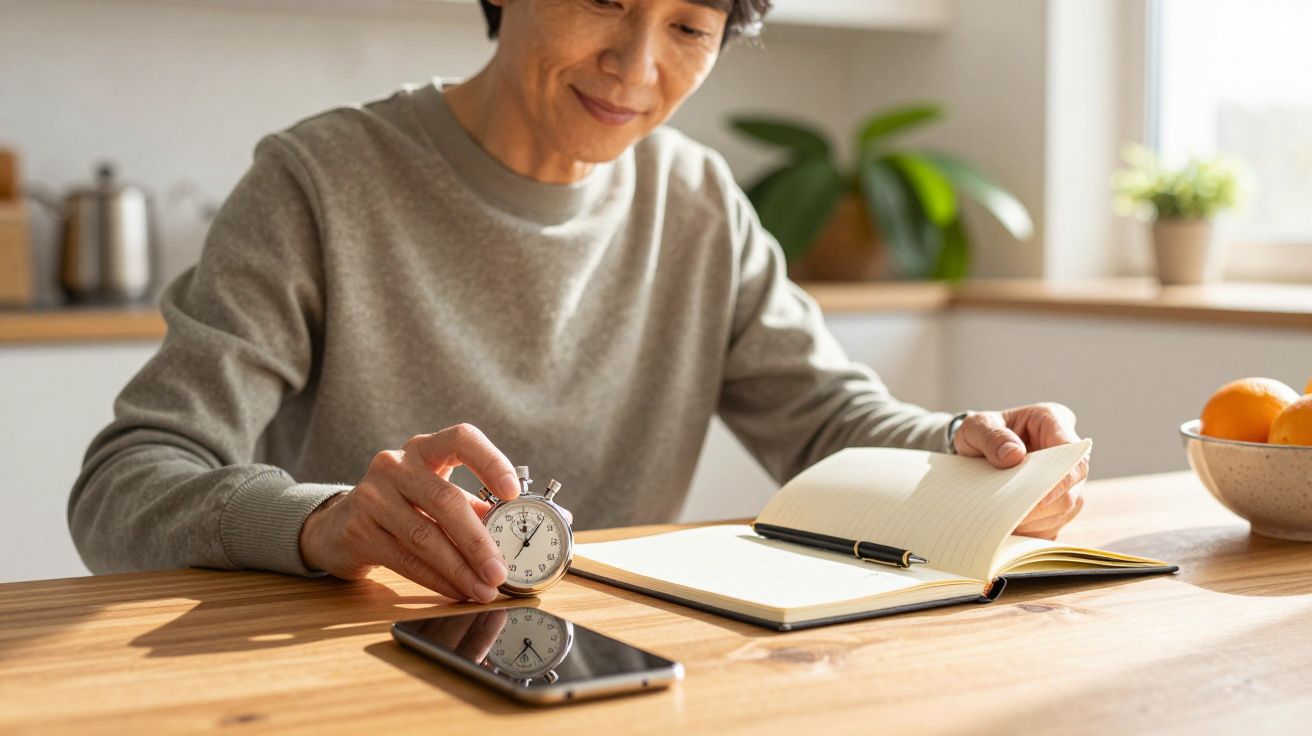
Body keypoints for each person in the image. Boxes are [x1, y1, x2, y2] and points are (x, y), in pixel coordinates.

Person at [69, 0, 1088, 606]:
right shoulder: (318, 181)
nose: (638, 66)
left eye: (689, 26)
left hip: (618, 667)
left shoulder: (696, 202)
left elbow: (831, 422)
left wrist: (971, 451)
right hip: (356, 668)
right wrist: (322, 521)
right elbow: (125, 487)